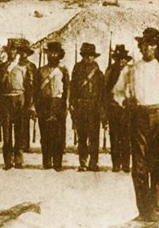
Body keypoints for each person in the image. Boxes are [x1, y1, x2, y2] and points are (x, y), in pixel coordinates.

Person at [116, 28, 159, 221]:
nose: (149, 48)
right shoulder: (130, 70)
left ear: (157, 48)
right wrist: (126, 100)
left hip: (158, 118)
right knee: (140, 166)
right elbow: (117, 93)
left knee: (158, 164)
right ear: (140, 47)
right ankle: (144, 209)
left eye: (153, 45)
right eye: (146, 44)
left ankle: (156, 205)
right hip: (139, 120)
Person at [0, 38, 36, 169]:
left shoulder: (24, 66)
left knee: (19, 131)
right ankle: (8, 161)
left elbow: (30, 87)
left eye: (14, 50)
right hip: (6, 99)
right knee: (6, 132)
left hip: (20, 99)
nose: (12, 52)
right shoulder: (2, 67)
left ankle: (18, 160)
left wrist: (30, 104)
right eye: (10, 50)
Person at [71, 42, 106, 171]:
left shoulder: (98, 73)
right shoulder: (77, 70)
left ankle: (93, 162)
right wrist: (72, 104)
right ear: (83, 56)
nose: (89, 58)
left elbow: (102, 93)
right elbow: (73, 88)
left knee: (94, 137)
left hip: (94, 107)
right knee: (82, 136)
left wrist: (102, 110)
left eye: (91, 55)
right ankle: (83, 162)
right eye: (86, 55)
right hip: (80, 106)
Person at [39, 42, 69, 170]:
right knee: (45, 133)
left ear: (59, 55)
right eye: (50, 53)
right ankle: (47, 161)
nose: (53, 55)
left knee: (58, 134)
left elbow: (67, 89)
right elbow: (37, 89)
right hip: (44, 103)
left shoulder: (63, 70)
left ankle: (58, 162)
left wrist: (66, 105)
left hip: (58, 102)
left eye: (55, 53)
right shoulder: (41, 70)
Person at [105, 44, 134, 172]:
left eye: (123, 59)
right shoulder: (111, 71)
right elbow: (105, 91)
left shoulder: (131, 71)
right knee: (114, 137)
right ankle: (116, 164)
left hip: (126, 108)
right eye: (119, 59)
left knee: (126, 137)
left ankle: (126, 164)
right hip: (113, 107)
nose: (121, 61)